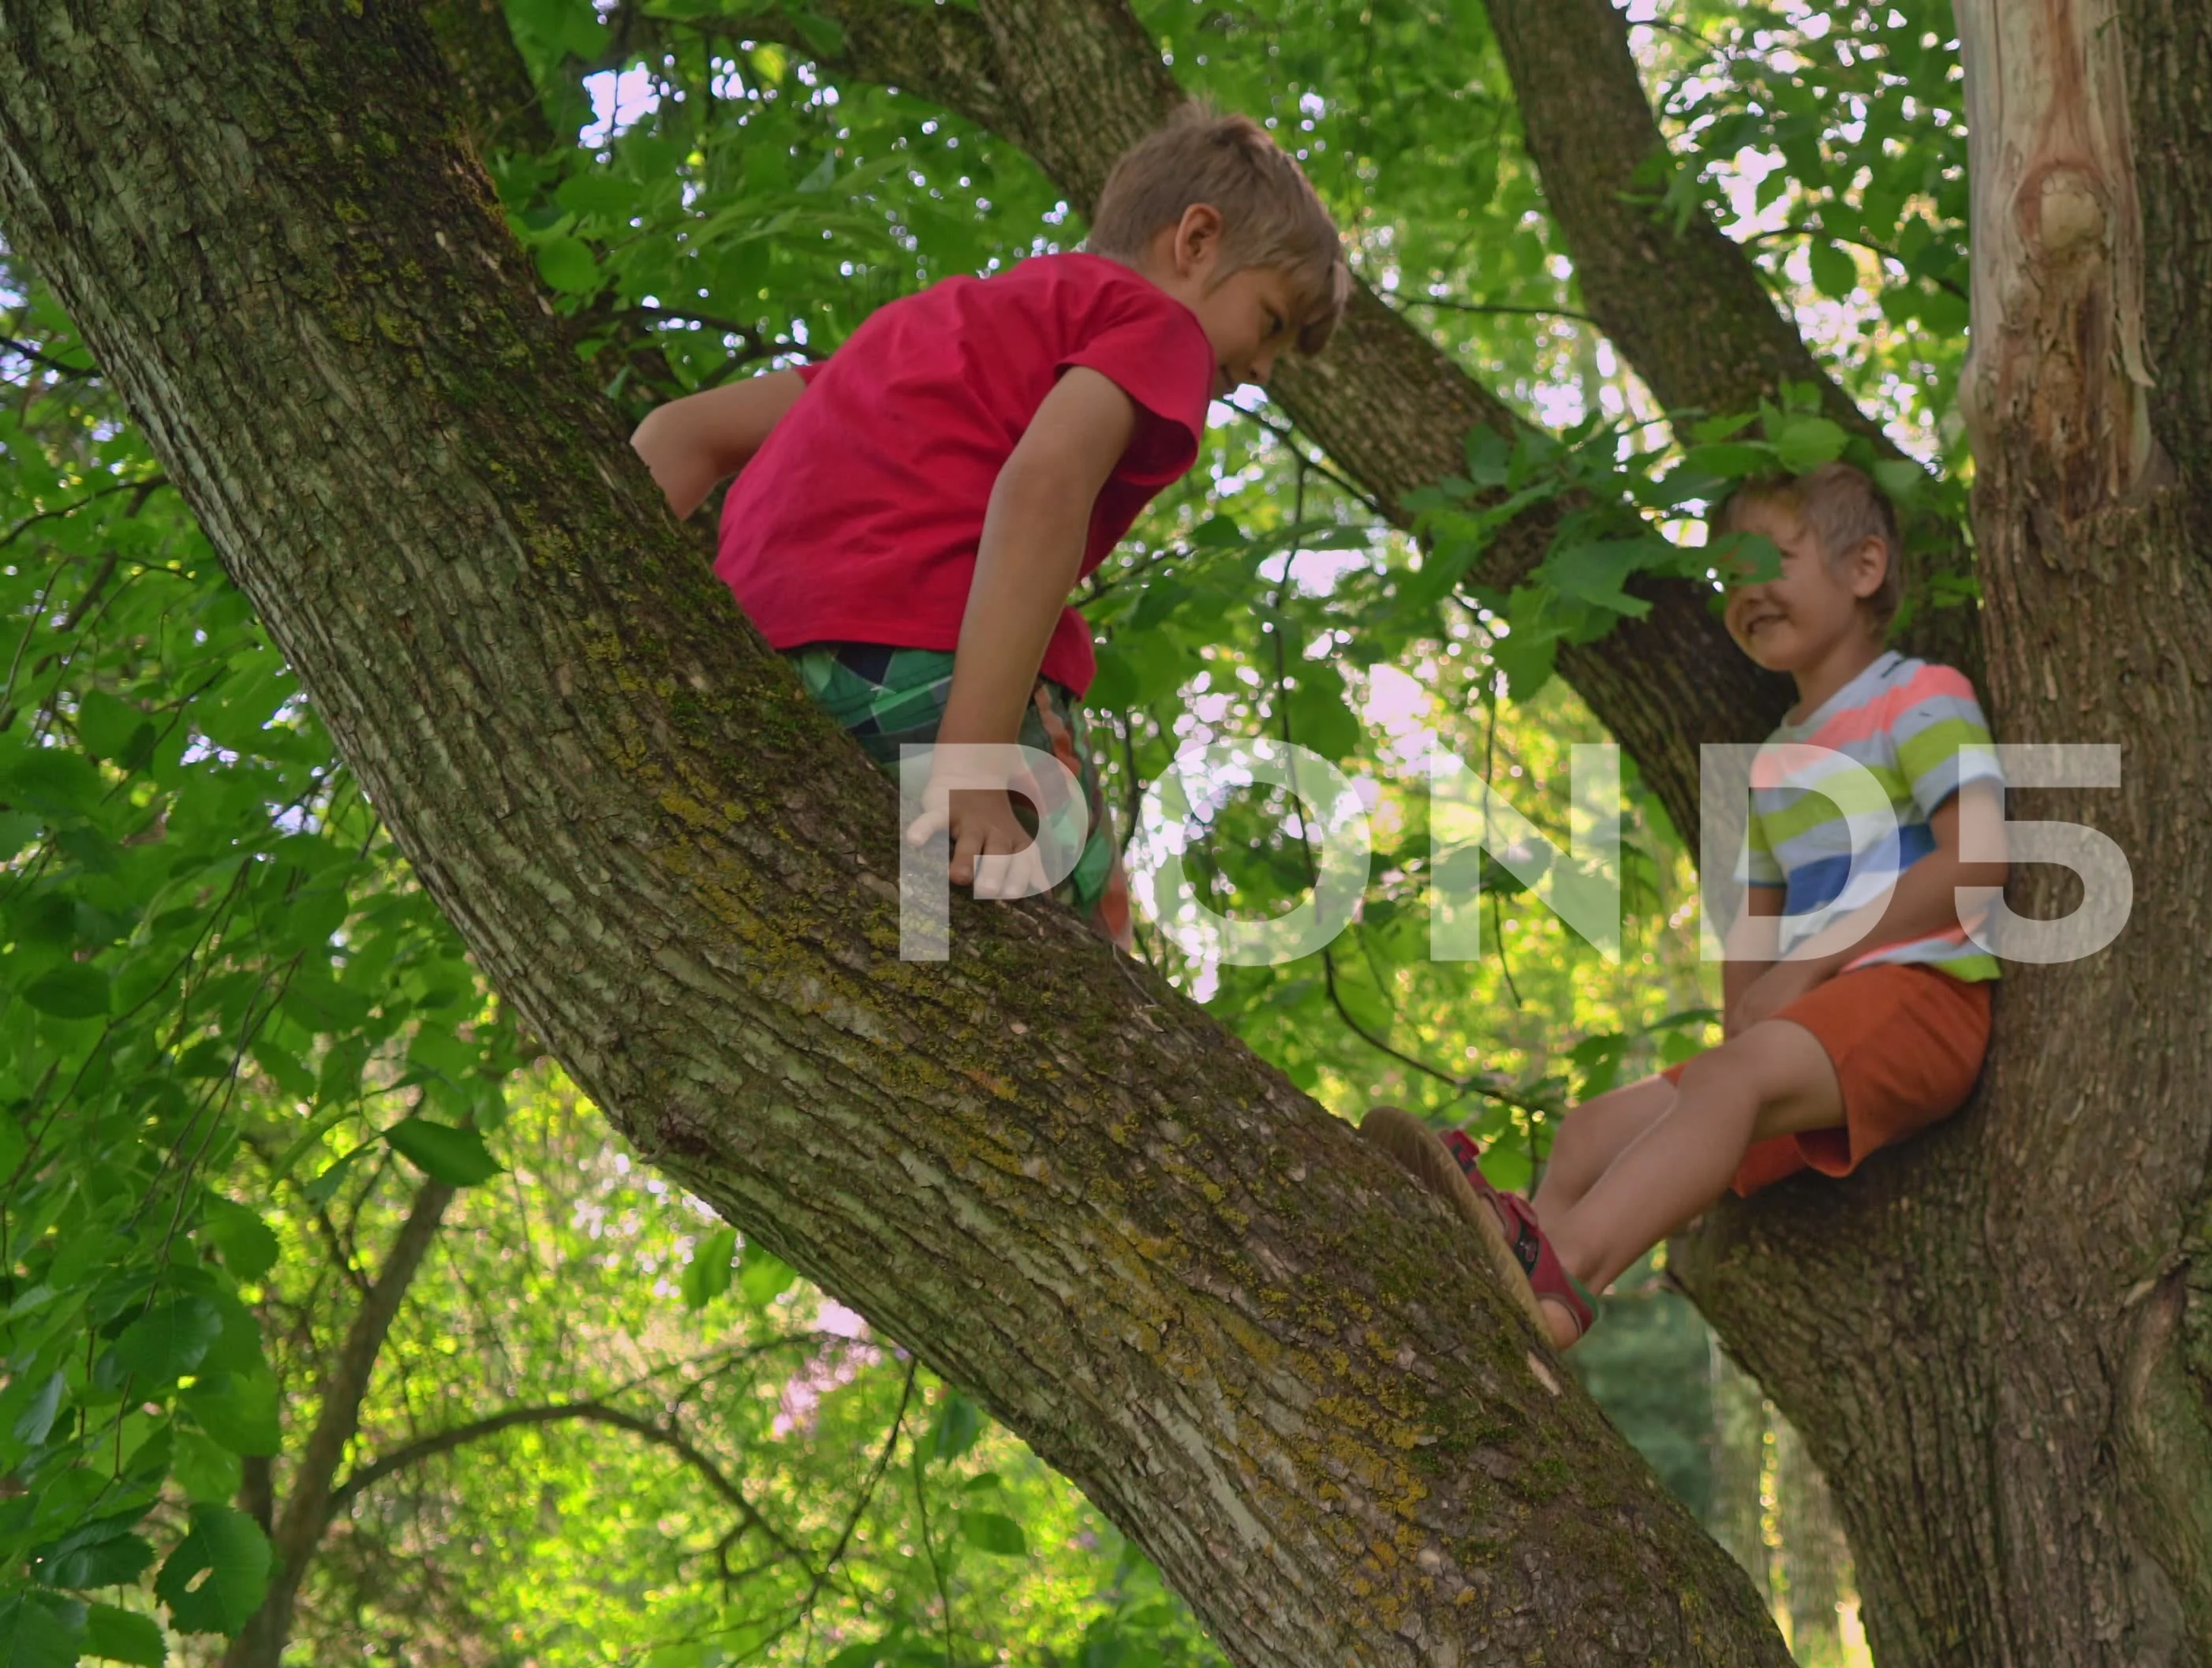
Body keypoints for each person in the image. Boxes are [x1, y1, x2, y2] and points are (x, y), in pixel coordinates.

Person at [630, 103, 1343, 944]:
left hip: (767, 669)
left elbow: (682, 434)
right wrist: (972, 765)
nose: (1261, 369)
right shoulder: (1162, 327)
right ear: (1196, 242)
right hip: (929, 680)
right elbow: (1045, 486)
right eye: (1270, 323)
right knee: (1089, 947)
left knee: (917, 935)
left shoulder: (916, 332)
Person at [1369, 462, 2008, 1348]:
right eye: (1731, 578)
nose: (1747, 593)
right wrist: (1751, 1016)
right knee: (1591, 1131)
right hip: (1816, 1021)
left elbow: (1977, 856)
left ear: (1862, 568)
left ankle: (1565, 1275)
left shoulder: (1917, 694)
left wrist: (1806, 971)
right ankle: (1511, 1290)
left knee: (1722, 1080)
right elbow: (1755, 927)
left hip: (1918, 998)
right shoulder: (1770, 766)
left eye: (1772, 561)